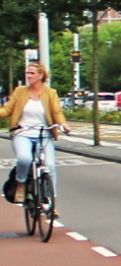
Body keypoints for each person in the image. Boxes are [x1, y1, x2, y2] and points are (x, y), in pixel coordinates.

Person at [1, 61, 70, 205]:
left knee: (50, 166)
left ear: (41, 75)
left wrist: (63, 124)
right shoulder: (20, 91)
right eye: (27, 73)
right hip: (23, 133)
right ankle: (21, 183)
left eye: (32, 73)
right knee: (24, 159)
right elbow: (7, 110)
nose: (28, 76)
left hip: (44, 134)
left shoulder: (50, 93)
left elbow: (57, 112)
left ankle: (51, 203)